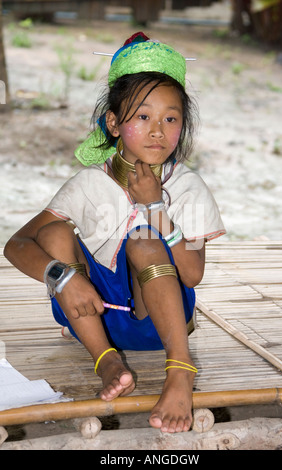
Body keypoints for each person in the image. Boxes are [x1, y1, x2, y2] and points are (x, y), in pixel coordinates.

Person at [4, 32, 226, 433]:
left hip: (160, 322)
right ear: (114, 122)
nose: (158, 130)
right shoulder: (90, 183)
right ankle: (106, 359)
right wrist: (64, 276)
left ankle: (180, 368)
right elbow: (15, 244)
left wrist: (157, 209)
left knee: (143, 239)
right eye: (142, 117)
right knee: (54, 234)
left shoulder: (188, 187)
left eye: (170, 118)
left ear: (183, 125)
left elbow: (191, 275)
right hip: (90, 317)